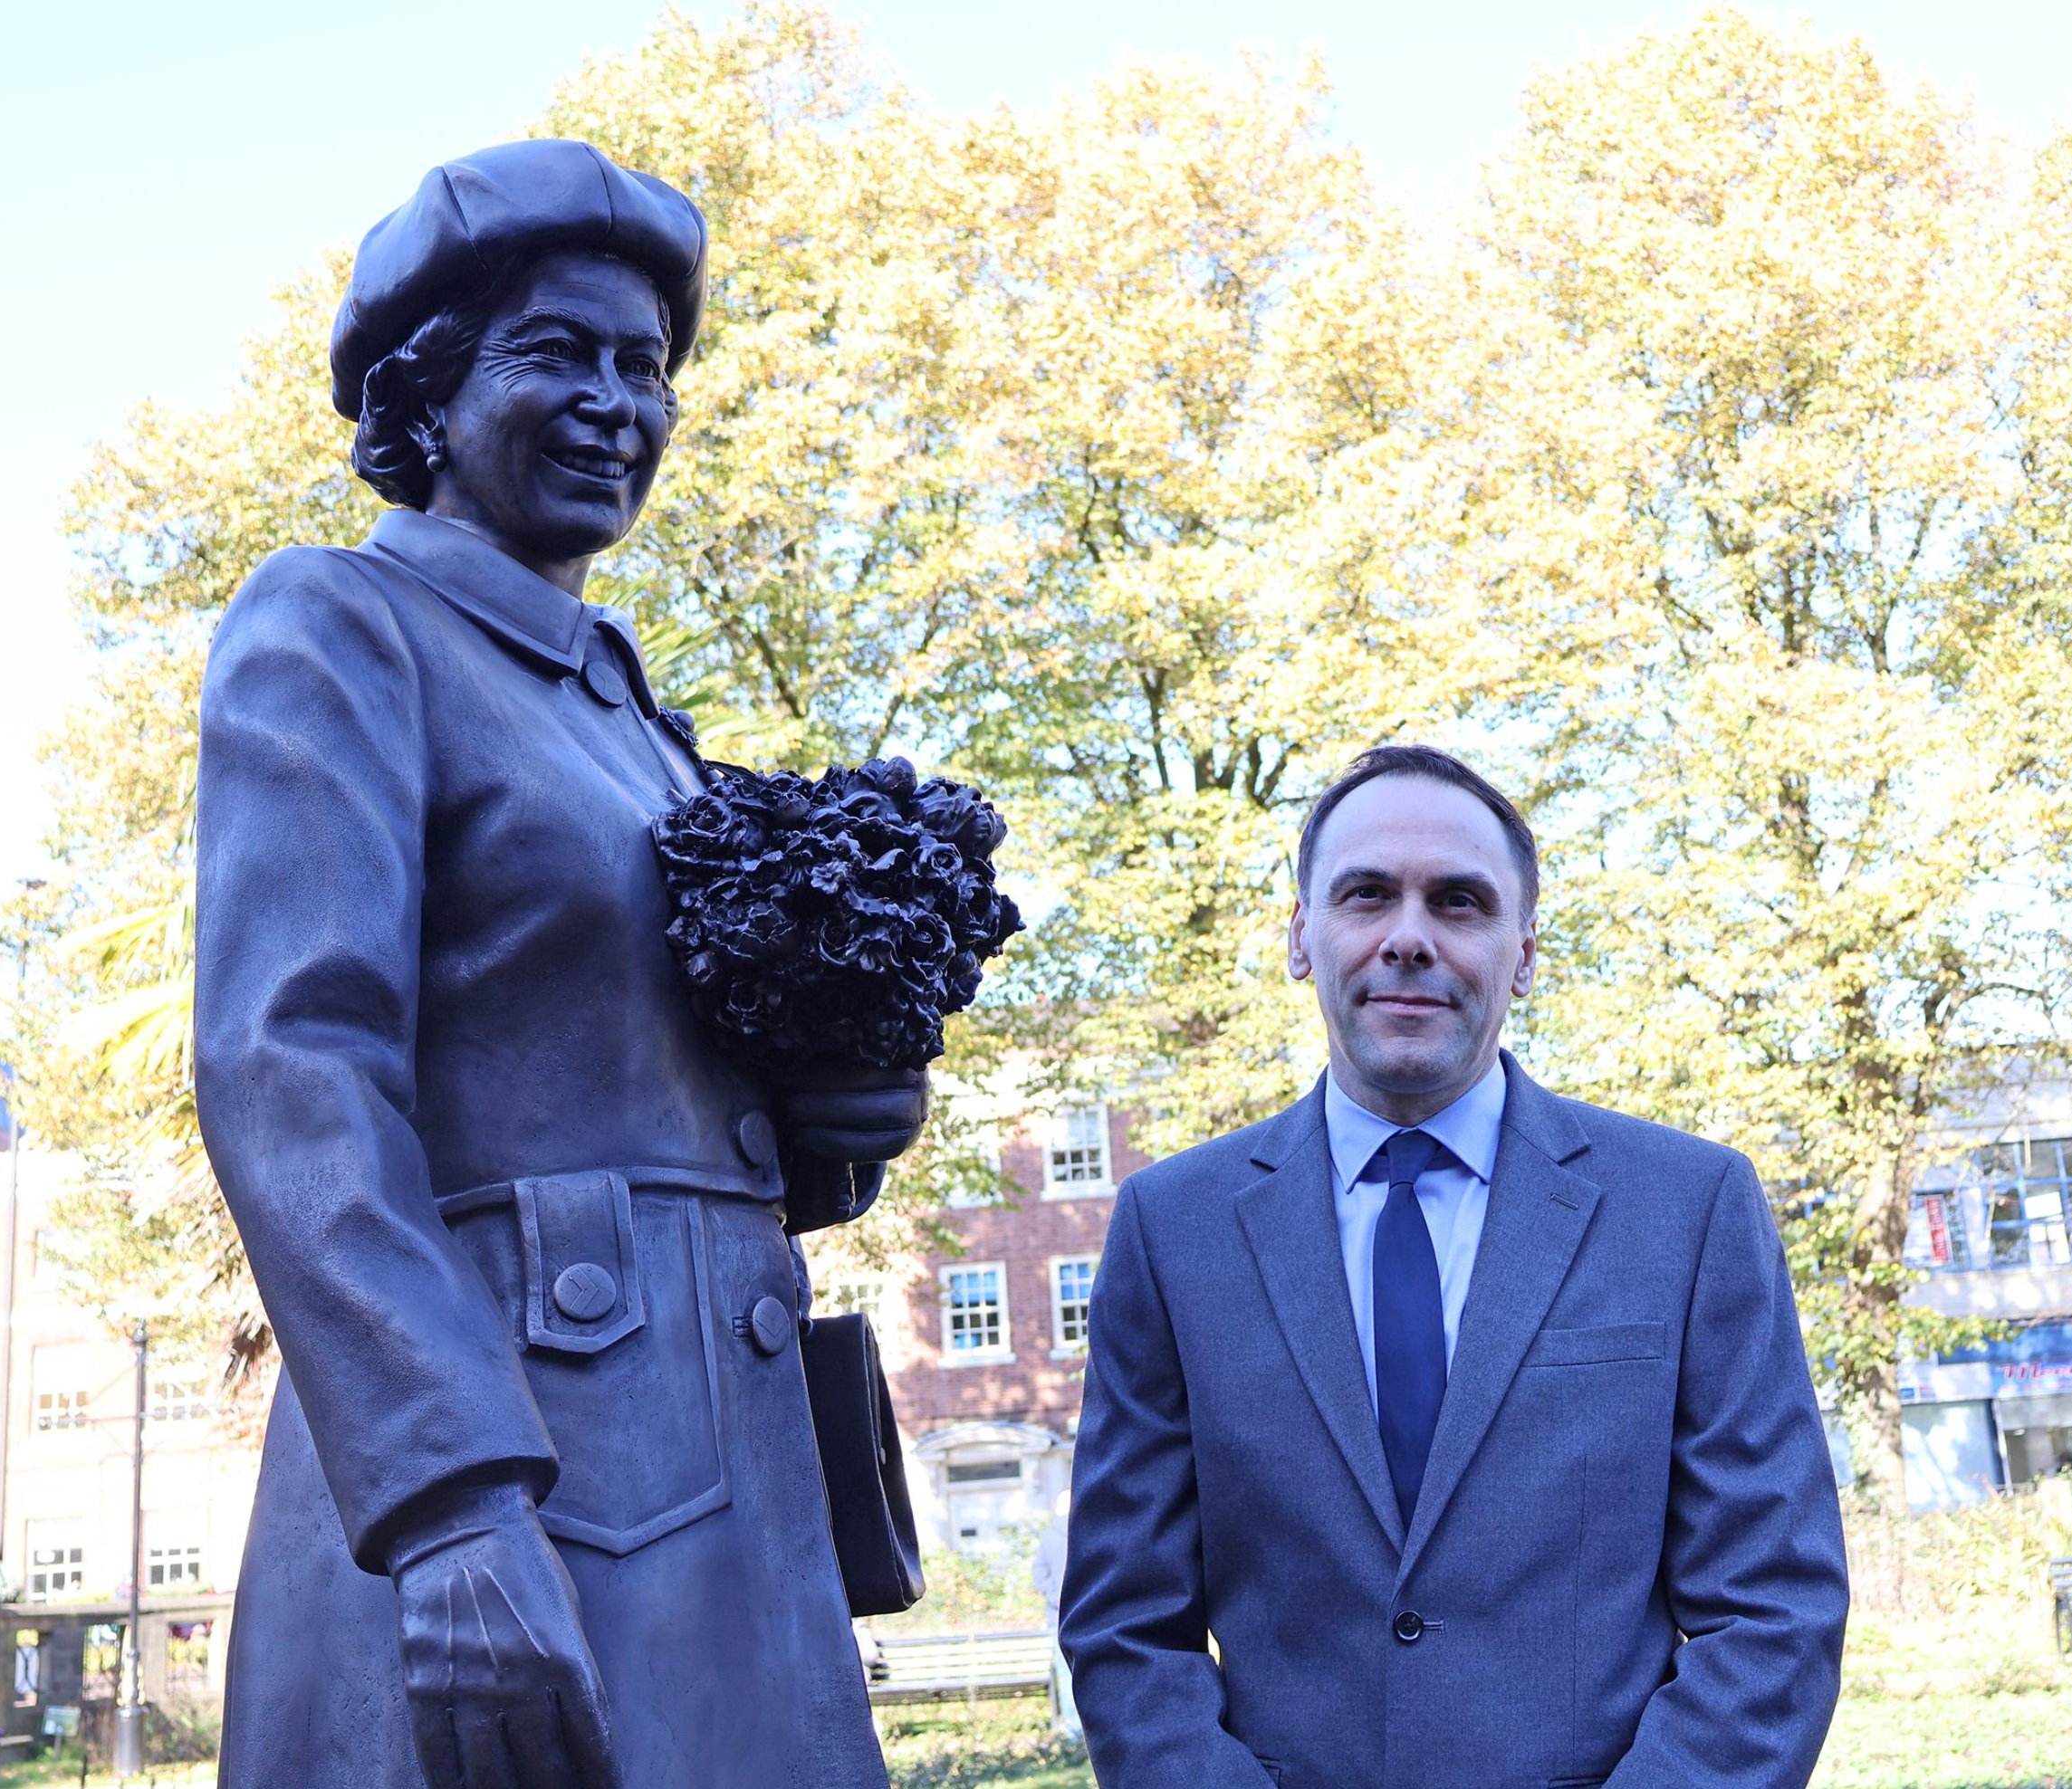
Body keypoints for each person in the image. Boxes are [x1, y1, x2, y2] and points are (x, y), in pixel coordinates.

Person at [197, 139, 925, 1789]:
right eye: (558, 353)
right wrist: (452, 1504)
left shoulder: (638, 726)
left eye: (644, 368)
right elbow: (289, 1065)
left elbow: (626, 1081)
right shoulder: (340, 627)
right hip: (524, 1471)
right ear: (428, 396)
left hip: (720, 1475)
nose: (618, 404)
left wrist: (825, 1111)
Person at [1061, 744, 1849, 1789]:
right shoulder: (1172, 1229)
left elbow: (1775, 1603)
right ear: (1302, 935)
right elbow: (1125, 1626)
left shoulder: (1687, 1208)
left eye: (1461, 902)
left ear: (1523, 950)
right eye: (1367, 894)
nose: (1408, 937)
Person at [1030, 1491, 1079, 1742]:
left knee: (1064, 1672)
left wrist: (1054, 1595)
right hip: (1086, 1612)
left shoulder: (1049, 1535)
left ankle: (1073, 1730)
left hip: (1057, 1616)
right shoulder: (1085, 1531)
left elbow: (1038, 1575)